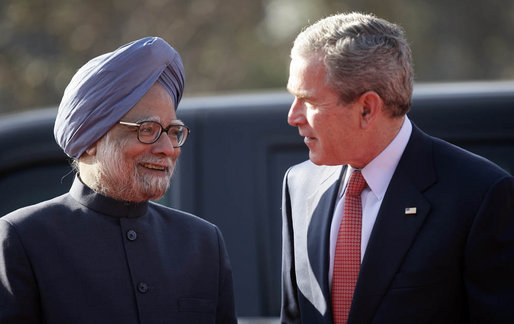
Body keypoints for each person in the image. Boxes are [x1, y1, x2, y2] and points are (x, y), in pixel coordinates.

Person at [281, 12, 514, 323]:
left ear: (367, 108)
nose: (293, 116)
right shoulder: (299, 184)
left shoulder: (479, 195)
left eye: (308, 101)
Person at [0, 37, 237, 323]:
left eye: (174, 131)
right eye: (147, 129)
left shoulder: (202, 242)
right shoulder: (24, 239)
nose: (167, 149)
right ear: (90, 140)